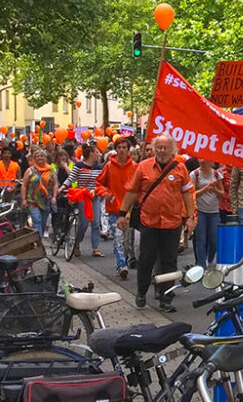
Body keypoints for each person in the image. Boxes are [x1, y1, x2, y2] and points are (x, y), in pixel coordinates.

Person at [117, 133, 195, 312]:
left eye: (165, 147)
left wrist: (190, 217)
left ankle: (166, 297)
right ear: (153, 148)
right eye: (158, 147)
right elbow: (131, 191)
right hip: (149, 222)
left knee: (169, 261)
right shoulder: (143, 167)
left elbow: (188, 194)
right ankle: (142, 292)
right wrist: (122, 213)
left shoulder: (180, 168)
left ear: (172, 149)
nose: (161, 150)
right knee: (146, 259)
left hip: (172, 222)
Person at [95, 136, 137, 278]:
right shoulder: (109, 166)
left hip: (130, 209)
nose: (122, 150)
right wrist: (104, 193)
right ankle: (121, 264)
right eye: (119, 147)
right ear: (115, 149)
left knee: (128, 239)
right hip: (114, 208)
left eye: (124, 147)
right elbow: (99, 183)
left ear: (128, 149)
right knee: (118, 238)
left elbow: (140, 187)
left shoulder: (135, 167)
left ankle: (128, 258)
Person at [64, 142, 104, 258]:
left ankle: (95, 248)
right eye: (97, 152)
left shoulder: (98, 168)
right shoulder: (79, 166)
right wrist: (63, 187)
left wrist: (96, 190)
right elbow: (71, 178)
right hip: (82, 197)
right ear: (91, 153)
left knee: (96, 223)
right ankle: (77, 244)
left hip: (94, 197)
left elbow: (100, 182)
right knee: (84, 223)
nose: (98, 154)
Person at [192, 159, 224, 269]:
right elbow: (192, 194)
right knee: (201, 240)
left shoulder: (216, 174)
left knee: (214, 240)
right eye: (200, 159)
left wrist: (214, 190)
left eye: (205, 160)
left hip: (214, 212)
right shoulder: (194, 174)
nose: (203, 161)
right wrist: (206, 188)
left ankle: (210, 260)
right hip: (200, 211)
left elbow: (222, 193)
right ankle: (202, 265)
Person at [21, 149, 56, 236]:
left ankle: (39, 237)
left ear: (45, 158)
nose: (40, 158)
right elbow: (24, 185)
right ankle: (39, 242)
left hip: (46, 200)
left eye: (42, 156)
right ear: (34, 159)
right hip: (32, 200)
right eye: (37, 156)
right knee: (37, 220)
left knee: (43, 222)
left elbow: (55, 184)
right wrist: (23, 199)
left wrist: (54, 197)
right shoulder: (30, 170)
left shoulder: (51, 170)